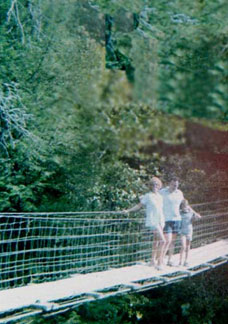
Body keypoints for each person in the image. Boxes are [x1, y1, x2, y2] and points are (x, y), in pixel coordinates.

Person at [124, 177, 166, 270]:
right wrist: (128, 210)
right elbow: (139, 206)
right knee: (163, 241)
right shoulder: (148, 196)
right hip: (153, 221)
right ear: (150, 186)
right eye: (153, 184)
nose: (155, 186)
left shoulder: (160, 196)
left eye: (157, 184)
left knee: (157, 241)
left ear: (159, 186)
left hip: (160, 221)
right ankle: (159, 263)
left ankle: (152, 261)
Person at [160, 177, 184, 266]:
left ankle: (169, 260)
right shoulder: (163, 192)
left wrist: (194, 212)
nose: (175, 187)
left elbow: (185, 204)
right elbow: (155, 197)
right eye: (174, 185)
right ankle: (161, 260)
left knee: (172, 242)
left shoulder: (179, 193)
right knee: (167, 240)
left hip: (177, 219)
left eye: (177, 185)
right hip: (166, 219)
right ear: (170, 183)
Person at [179, 199, 201, 266]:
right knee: (183, 246)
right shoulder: (180, 213)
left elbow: (198, 217)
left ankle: (186, 260)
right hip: (182, 232)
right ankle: (180, 261)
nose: (184, 207)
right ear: (181, 207)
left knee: (188, 246)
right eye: (183, 206)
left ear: (188, 206)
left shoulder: (191, 212)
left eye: (186, 206)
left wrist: (195, 216)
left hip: (189, 231)